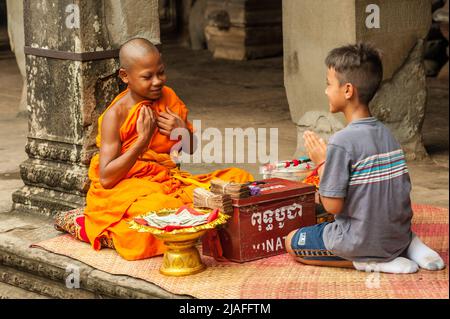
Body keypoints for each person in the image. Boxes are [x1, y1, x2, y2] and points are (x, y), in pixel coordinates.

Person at [80, 38, 253, 261]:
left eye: (160, 73)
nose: (157, 81)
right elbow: (107, 178)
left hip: (169, 180)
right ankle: (191, 223)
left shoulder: (168, 97)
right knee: (165, 208)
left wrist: (182, 131)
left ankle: (192, 221)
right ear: (125, 76)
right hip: (127, 188)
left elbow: (190, 149)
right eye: (147, 77)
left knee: (238, 180)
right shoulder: (116, 115)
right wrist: (142, 141)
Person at [285, 43, 445, 274]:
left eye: (329, 84)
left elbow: (332, 205)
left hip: (359, 241)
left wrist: (322, 163)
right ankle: (410, 244)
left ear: (348, 90)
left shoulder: (342, 141)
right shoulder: (387, 134)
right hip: (397, 233)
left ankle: (371, 261)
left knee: (292, 241)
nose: (326, 91)